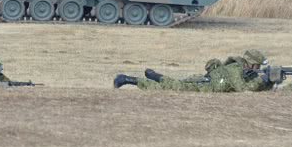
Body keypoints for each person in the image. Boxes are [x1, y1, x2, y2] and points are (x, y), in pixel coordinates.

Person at [115, 49, 272, 92]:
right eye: (258, 66)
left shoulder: (242, 69)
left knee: (174, 84)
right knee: (170, 88)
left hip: (204, 82)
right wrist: (262, 79)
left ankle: (155, 75)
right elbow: (243, 90)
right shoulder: (235, 69)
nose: (258, 69)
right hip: (204, 86)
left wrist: (269, 83)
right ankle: (128, 79)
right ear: (251, 63)